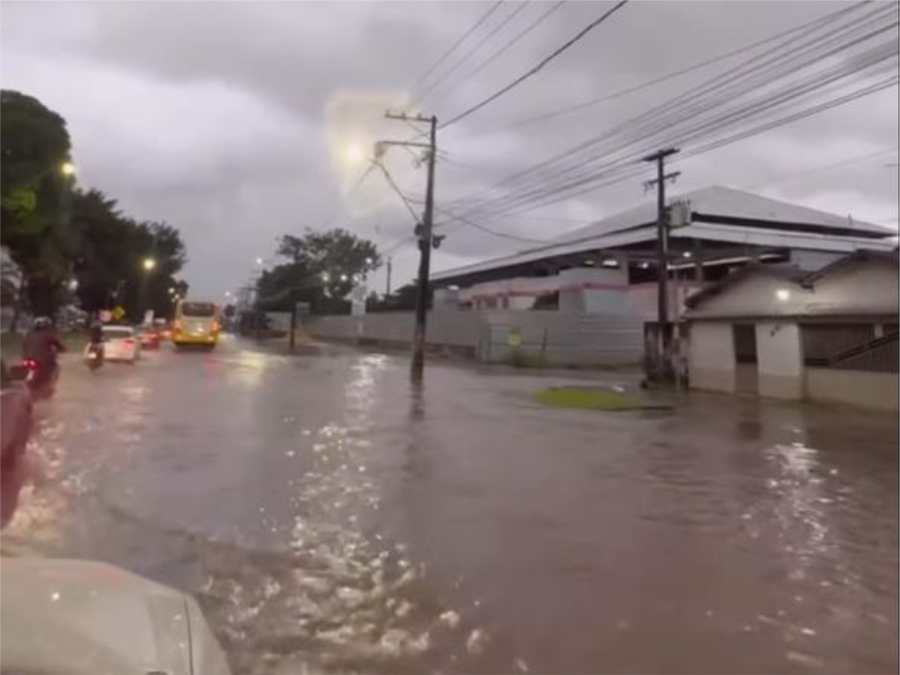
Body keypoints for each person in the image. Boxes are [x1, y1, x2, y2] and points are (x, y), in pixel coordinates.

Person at [21, 317, 65, 383]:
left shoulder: (28, 334)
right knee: (54, 366)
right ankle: (50, 383)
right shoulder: (48, 335)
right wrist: (63, 349)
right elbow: (57, 344)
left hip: (27, 359)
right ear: (47, 326)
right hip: (42, 360)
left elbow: (24, 346)